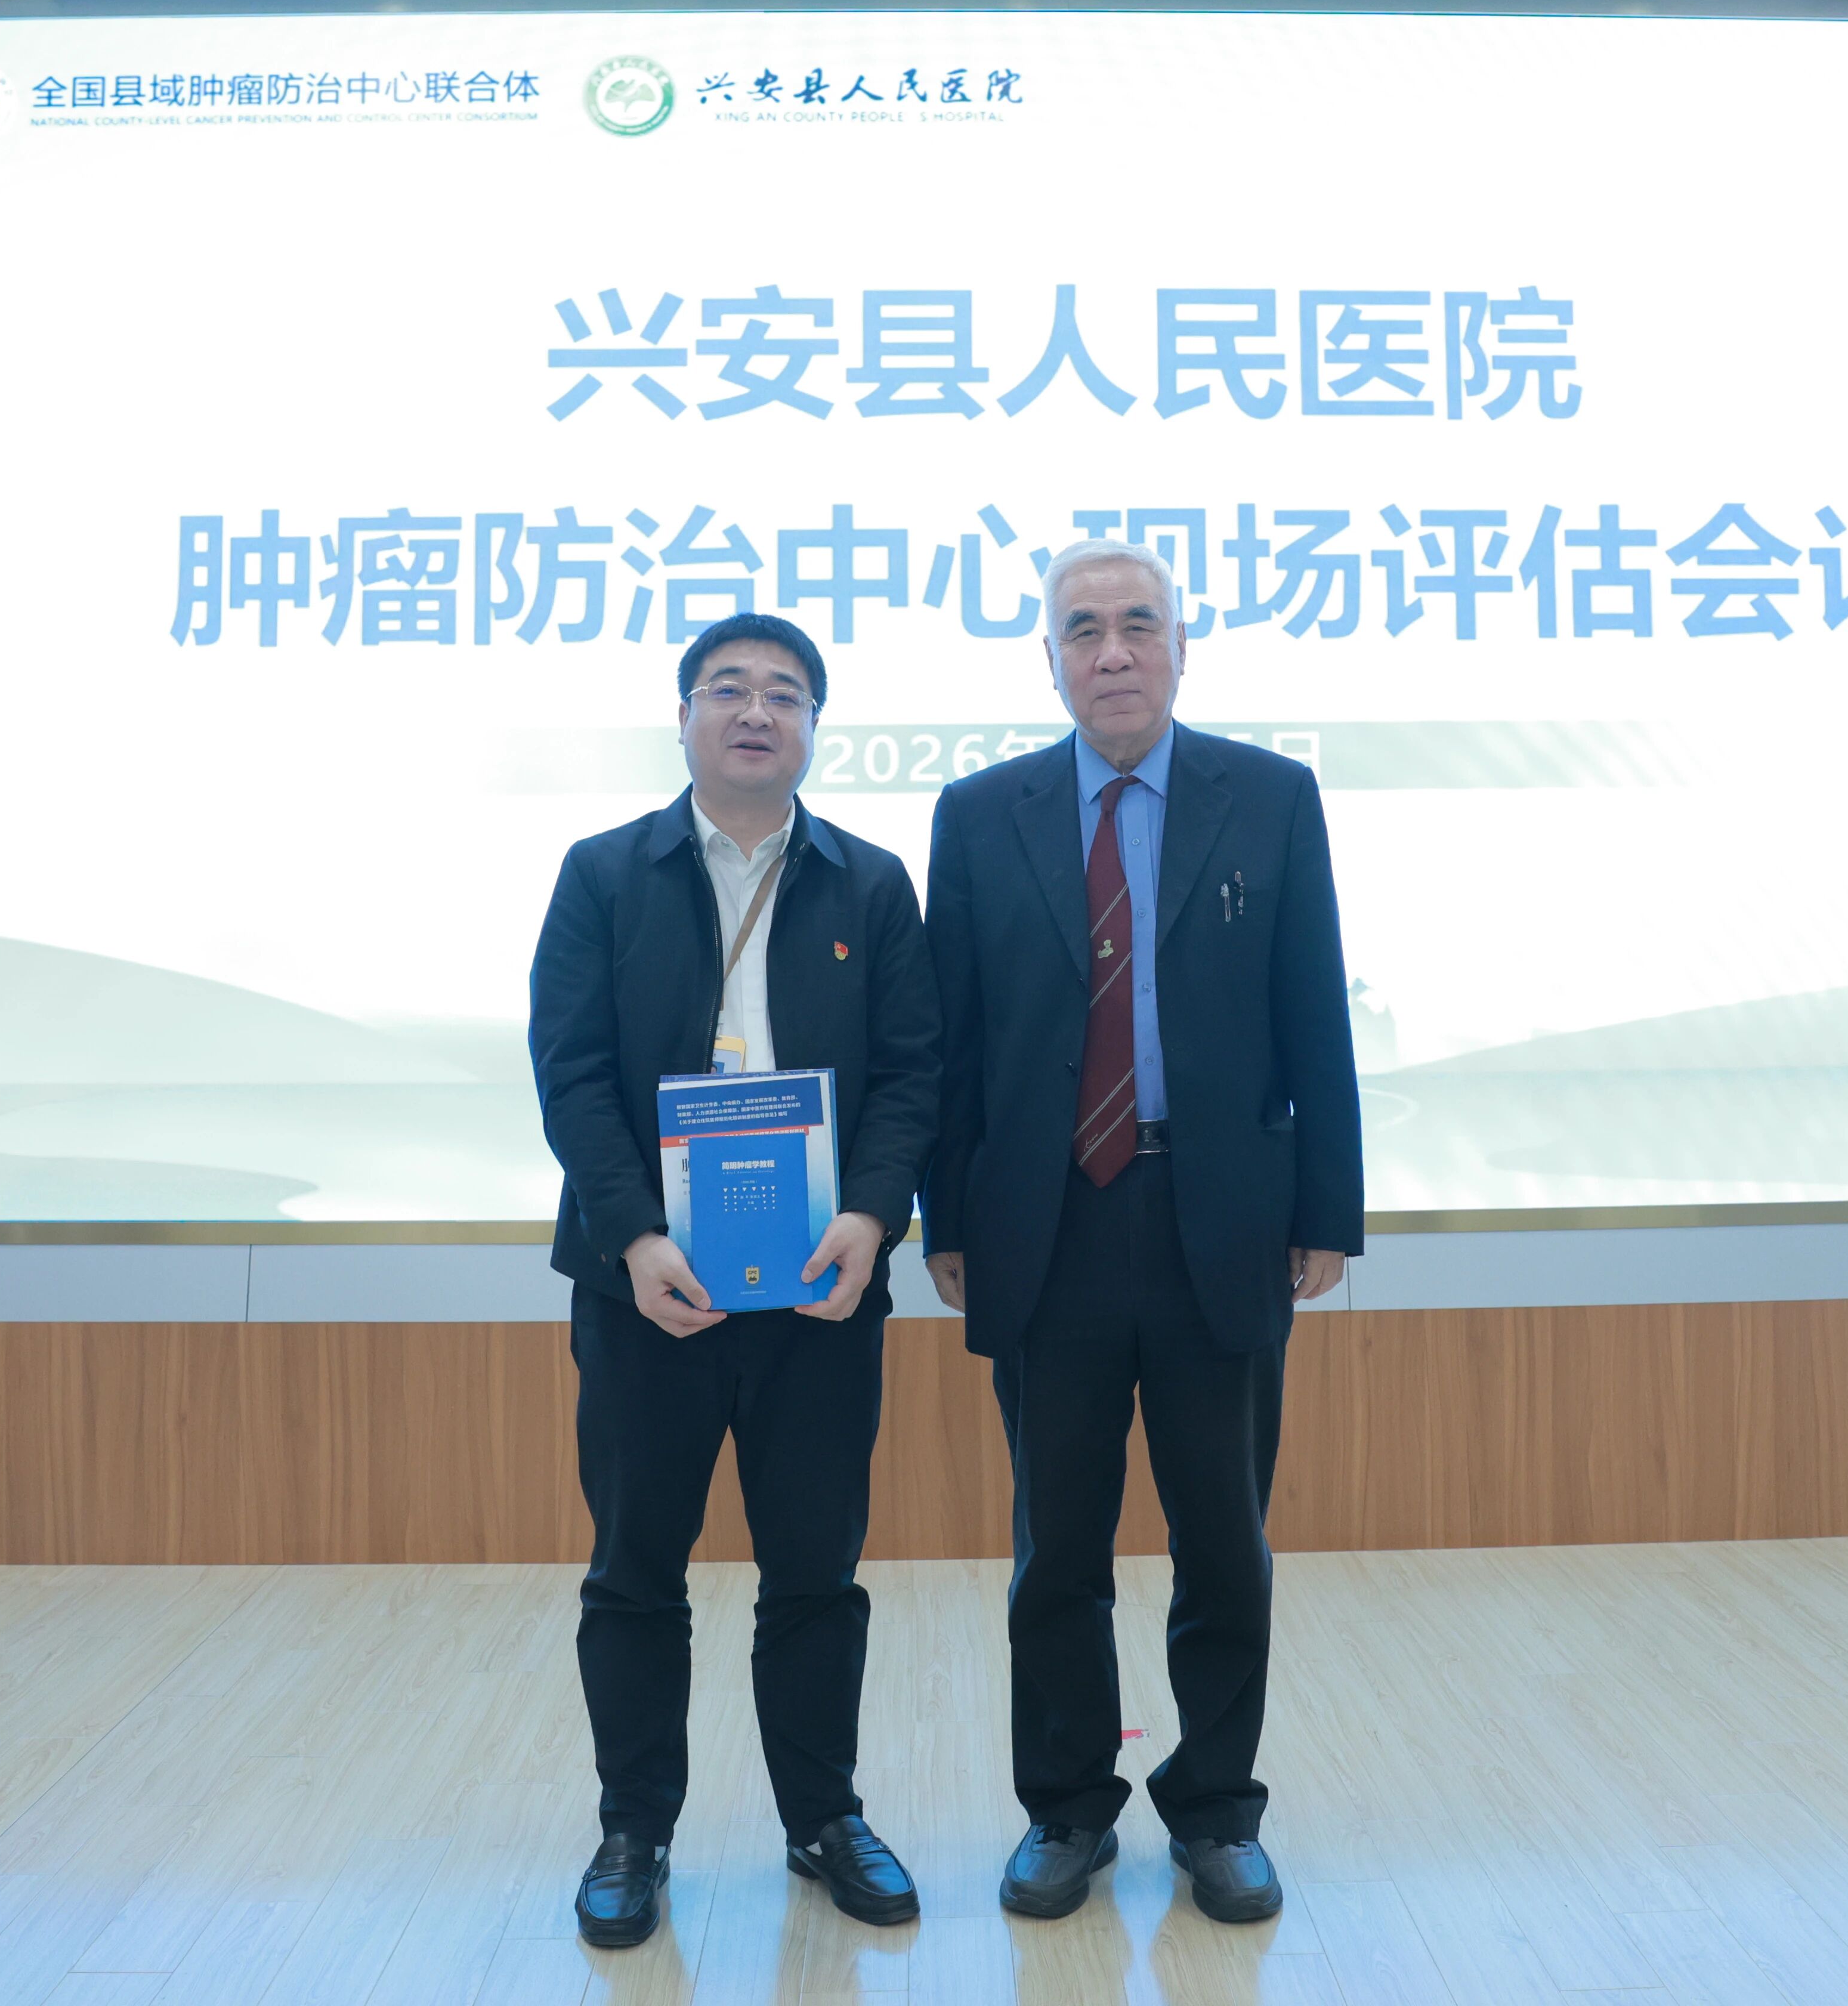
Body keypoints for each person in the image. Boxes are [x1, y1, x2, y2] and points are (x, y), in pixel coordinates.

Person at [920, 540, 1362, 1927]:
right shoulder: (980, 813)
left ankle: (1217, 1810)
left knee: (1223, 1537)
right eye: (1082, 628)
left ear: (1182, 643)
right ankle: (1066, 1808)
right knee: (1057, 1545)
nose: (1111, 650)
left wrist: (1328, 1208)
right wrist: (947, 1213)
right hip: (1045, 1222)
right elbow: (953, 1037)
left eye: (1137, 624)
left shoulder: (1269, 796)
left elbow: (1314, 1009)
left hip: (1216, 1217)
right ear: (1049, 657)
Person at [528, 610, 941, 1948]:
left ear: (815, 725)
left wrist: (873, 1215)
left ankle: (824, 1818)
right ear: (686, 716)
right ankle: (633, 1829)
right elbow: (571, 1072)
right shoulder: (605, 873)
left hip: (818, 1286)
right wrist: (634, 1234)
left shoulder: (870, 884)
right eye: (727, 688)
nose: (755, 710)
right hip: (647, 1286)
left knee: (815, 1569)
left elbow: (915, 1072)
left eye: (783, 693)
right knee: (635, 1569)